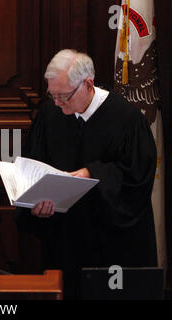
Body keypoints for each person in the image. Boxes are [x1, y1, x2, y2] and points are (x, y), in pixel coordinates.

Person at [15, 49, 158, 298]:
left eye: (64, 96)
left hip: (110, 243)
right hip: (65, 239)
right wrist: (35, 203)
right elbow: (34, 166)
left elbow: (138, 179)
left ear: (88, 84)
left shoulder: (127, 119)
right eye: (53, 95)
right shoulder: (50, 115)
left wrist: (91, 173)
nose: (57, 104)